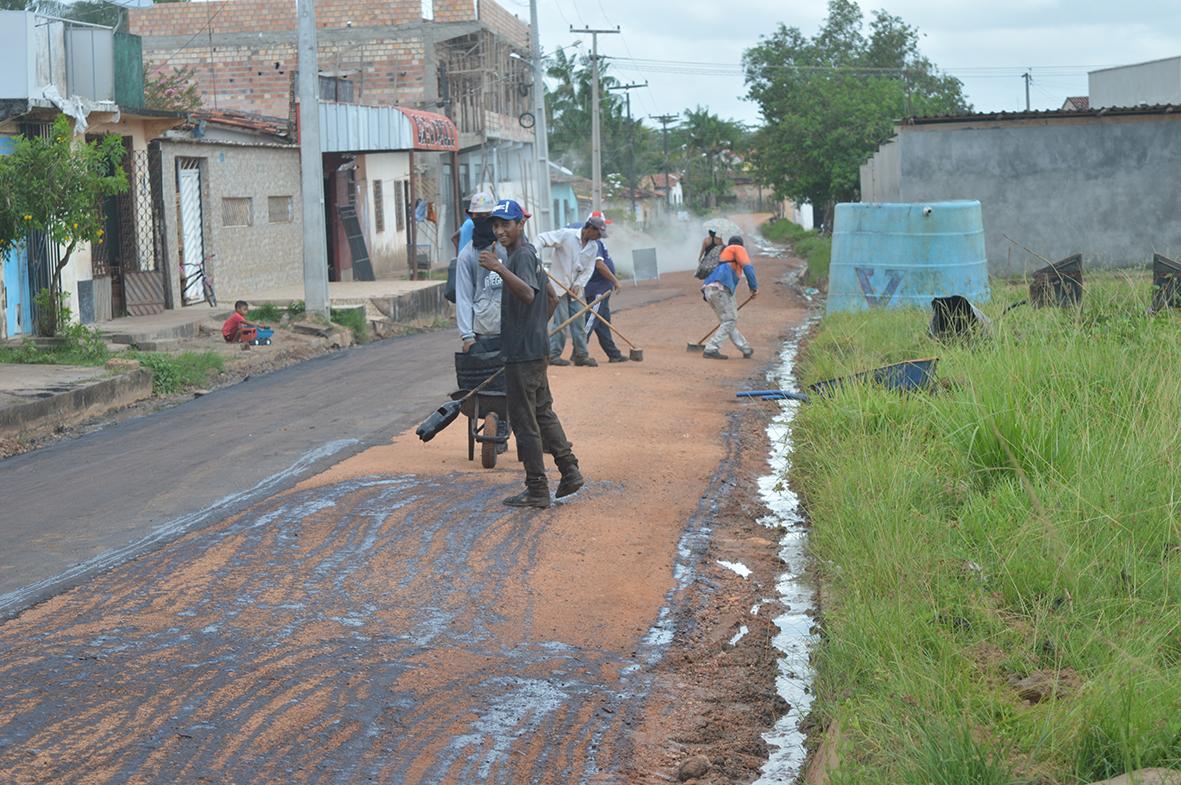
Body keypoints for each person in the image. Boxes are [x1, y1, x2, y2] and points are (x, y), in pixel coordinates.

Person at [480, 199, 583, 509]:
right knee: (542, 413)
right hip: (533, 349)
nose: (499, 231)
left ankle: (537, 488)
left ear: (520, 225)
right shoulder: (527, 255)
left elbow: (527, 294)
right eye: (495, 225)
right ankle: (570, 470)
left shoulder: (519, 256)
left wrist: (498, 267)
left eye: (506, 224)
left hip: (522, 354)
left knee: (526, 421)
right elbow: (550, 297)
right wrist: (536, 328)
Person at [536, 216, 607, 367]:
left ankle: (581, 355)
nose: (599, 238)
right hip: (558, 286)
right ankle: (554, 355)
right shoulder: (566, 235)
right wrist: (534, 257)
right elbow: (542, 238)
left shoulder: (593, 247)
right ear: (590, 229)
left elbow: (589, 269)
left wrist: (579, 284)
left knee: (579, 323)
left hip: (576, 289)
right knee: (561, 322)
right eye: (598, 234)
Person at [454, 191, 504, 354]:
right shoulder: (466, 256)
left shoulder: (508, 249)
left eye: (487, 215)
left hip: (511, 326)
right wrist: (467, 336)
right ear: (471, 217)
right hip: (484, 330)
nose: (483, 220)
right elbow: (464, 297)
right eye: (478, 215)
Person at [700, 235, 758, 360]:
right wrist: (754, 288)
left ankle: (745, 348)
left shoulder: (723, 254)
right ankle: (711, 348)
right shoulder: (737, 248)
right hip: (720, 288)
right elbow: (748, 268)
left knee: (727, 321)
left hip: (709, 289)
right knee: (730, 320)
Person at [582, 236, 627, 363]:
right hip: (598, 291)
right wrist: (615, 281)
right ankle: (579, 352)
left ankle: (613, 354)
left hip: (604, 290)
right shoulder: (594, 243)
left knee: (603, 324)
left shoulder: (598, 242)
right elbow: (600, 265)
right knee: (590, 320)